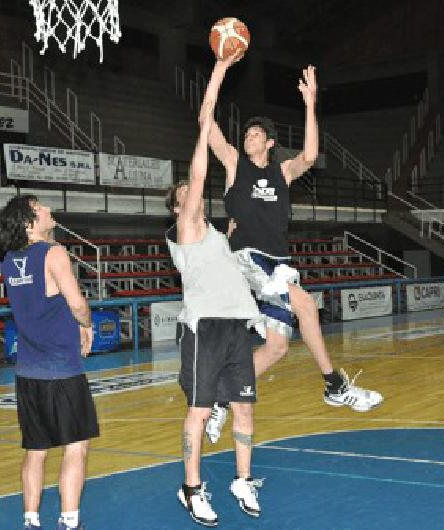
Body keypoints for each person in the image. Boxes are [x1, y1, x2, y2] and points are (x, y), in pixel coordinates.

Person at [203, 59, 383, 442]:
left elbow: (311, 154)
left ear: (269, 143)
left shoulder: (281, 172)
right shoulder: (235, 164)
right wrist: (219, 70)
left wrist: (310, 103)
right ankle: (334, 384)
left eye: (256, 133)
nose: (248, 136)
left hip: (277, 262)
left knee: (277, 347)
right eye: (247, 132)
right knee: (303, 304)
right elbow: (207, 122)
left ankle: (221, 394)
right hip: (246, 258)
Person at [165, 55, 264, 527]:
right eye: (185, 188)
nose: (194, 189)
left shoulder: (218, 234)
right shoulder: (185, 228)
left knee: (243, 408)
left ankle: (242, 479)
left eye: (193, 188)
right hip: (204, 327)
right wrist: (220, 73)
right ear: (178, 204)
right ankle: (191, 488)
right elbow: (200, 166)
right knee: (200, 412)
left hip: (236, 326)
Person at [0, 195, 98, 530]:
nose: (48, 209)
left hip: (28, 369)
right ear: (30, 221)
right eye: (41, 207)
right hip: (62, 368)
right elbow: (77, 302)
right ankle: (69, 521)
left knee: (36, 449)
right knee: (75, 448)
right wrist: (87, 325)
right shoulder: (54, 253)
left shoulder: (8, 260)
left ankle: (30, 519)